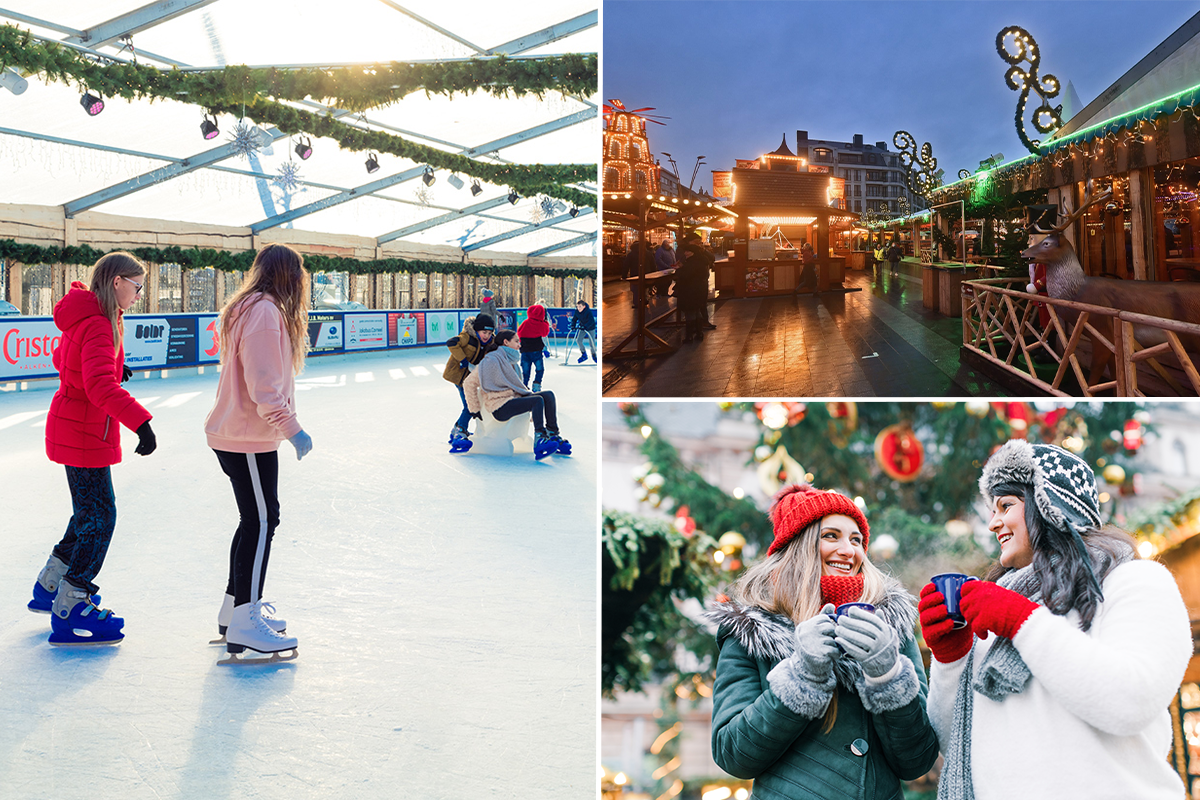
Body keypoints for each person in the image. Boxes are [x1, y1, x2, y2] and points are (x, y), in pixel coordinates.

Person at [920, 440, 1191, 799]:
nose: (992, 523)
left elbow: (1131, 700)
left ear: (1048, 505)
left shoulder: (1134, 581)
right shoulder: (998, 608)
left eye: (1005, 505)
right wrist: (951, 657)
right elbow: (956, 739)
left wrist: (1021, 621)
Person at [709, 485, 939, 799]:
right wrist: (800, 677)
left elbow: (917, 761)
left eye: (856, 539)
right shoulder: (753, 632)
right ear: (797, 547)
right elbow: (732, 754)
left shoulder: (888, 627)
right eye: (831, 536)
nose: (849, 550)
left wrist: (886, 675)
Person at [31, 253, 157, 646]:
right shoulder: (101, 323)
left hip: (74, 426)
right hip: (83, 433)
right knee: (101, 517)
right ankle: (73, 603)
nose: (139, 294)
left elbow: (70, 362)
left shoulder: (89, 315)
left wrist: (113, 368)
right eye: (137, 286)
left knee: (88, 512)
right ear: (117, 281)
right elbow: (100, 387)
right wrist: (141, 423)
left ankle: (50, 585)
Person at [204, 243, 312, 664]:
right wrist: (294, 430)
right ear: (288, 275)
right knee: (264, 521)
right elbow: (264, 387)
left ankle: (236, 609)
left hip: (240, 434)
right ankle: (246, 622)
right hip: (247, 435)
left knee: (255, 520)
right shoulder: (265, 312)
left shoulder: (250, 305)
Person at [463, 330, 570, 460]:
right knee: (537, 400)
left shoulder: (511, 363)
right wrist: (474, 409)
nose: (519, 345)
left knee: (548, 395)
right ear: (506, 342)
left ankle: (553, 435)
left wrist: (532, 411)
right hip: (499, 406)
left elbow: (519, 389)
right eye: (516, 341)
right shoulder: (490, 361)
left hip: (512, 401)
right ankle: (540, 441)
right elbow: (468, 383)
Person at [674, 237, 712, 343]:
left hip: (691, 291)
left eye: (687, 251)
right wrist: (683, 266)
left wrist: (679, 270)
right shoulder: (701, 260)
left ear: (693, 252)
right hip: (700, 289)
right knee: (697, 311)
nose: (685, 253)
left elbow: (686, 275)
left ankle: (689, 336)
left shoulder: (692, 262)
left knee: (690, 312)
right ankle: (699, 333)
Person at [517, 303, 550, 391]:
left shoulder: (525, 323)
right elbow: (545, 333)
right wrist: (545, 322)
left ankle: (524, 386)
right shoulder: (541, 324)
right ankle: (536, 384)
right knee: (540, 370)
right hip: (536, 351)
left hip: (525, 351)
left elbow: (519, 333)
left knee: (525, 372)